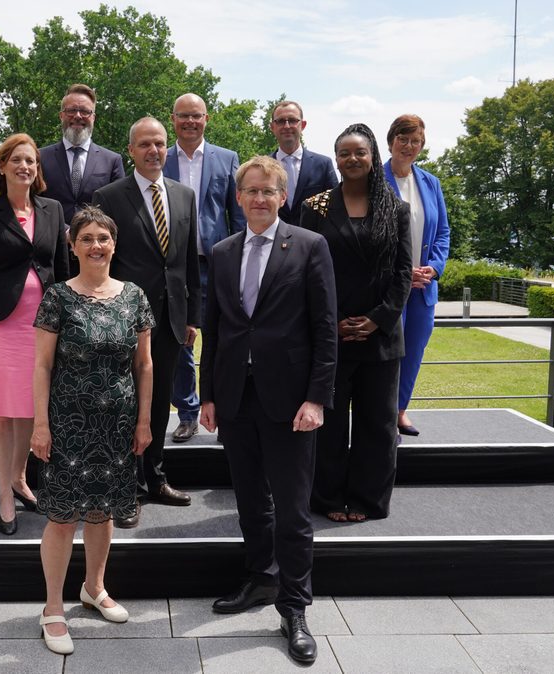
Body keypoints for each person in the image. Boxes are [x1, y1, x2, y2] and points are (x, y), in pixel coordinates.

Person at [200, 156, 337, 665]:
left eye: (269, 191)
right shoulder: (221, 251)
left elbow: (326, 328)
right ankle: (260, 580)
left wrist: (317, 398)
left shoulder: (309, 246)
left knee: (294, 510)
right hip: (236, 397)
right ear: (238, 198)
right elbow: (214, 329)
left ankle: (295, 608)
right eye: (251, 191)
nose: (259, 198)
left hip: (292, 401)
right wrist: (208, 393)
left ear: (283, 197)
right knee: (251, 502)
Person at [31, 205, 154, 655]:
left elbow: (144, 364)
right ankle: (52, 608)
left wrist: (143, 420)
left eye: (103, 237)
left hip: (117, 424)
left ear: (114, 244)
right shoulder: (58, 297)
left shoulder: (135, 296)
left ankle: (94, 588)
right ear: (73, 245)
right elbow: (42, 366)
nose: (96, 245)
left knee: (102, 513)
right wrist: (40, 425)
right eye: (87, 238)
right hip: (67, 423)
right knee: (62, 517)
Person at [302, 123, 412, 524]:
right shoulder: (313, 208)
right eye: (345, 153)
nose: (352, 159)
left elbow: (403, 273)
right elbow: (306, 272)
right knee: (327, 426)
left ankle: (367, 500)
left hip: (380, 338)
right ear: (336, 159)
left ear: (372, 158)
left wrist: (377, 319)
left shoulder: (396, 209)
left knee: (377, 426)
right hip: (330, 334)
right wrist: (329, 323)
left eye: (360, 153)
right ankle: (328, 496)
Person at [93, 117, 200, 527]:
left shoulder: (183, 195)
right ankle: (126, 489)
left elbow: (188, 261)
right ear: (131, 151)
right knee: (125, 405)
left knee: (157, 405)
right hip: (124, 320)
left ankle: (155, 480)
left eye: (160, 144)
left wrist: (192, 316)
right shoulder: (108, 197)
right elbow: (101, 259)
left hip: (171, 320)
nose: (154, 151)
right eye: (145, 144)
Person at [0, 133, 69, 536]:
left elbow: (61, 271)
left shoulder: (53, 209)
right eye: (18, 160)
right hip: (2, 326)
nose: (26, 167)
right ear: (3, 166)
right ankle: (5, 496)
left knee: (31, 407)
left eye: (32, 161)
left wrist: (68, 323)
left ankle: (21, 478)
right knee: (4, 412)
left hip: (43, 325)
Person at [164, 93, 245, 443]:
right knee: (178, 342)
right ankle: (187, 413)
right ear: (173, 119)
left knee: (224, 341)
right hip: (174, 267)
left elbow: (237, 215)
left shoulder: (227, 160)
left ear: (206, 119)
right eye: (183, 116)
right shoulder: (159, 158)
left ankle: (226, 414)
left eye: (196, 116)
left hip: (217, 265)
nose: (190, 122)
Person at [383, 114, 450, 437]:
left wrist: (434, 267)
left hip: (423, 290)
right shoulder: (375, 180)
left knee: (413, 353)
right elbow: (369, 237)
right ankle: (381, 414)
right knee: (387, 355)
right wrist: (401, 271)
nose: (409, 146)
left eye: (416, 141)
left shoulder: (430, 183)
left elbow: (444, 233)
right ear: (391, 141)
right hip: (387, 288)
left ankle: (400, 411)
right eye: (403, 139)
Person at [39, 83, 126, 274]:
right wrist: (68, 232)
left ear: (93, 117)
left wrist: (88, 235)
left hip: (97, 259)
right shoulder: (40, 158)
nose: (77, 116)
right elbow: (34, 203)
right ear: (61, 115)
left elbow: (119, 208)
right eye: (71, 110)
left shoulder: (112, 160)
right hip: (51, 258)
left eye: (85, 111)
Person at [269, 100, 338, 224]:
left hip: (313, 239)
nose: (287, 126)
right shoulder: (263, 168)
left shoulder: (323, 165)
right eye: (280, 121)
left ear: (303, 125)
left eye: (292, 120)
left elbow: (335, 207)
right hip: (273, 240)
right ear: (272, 127)